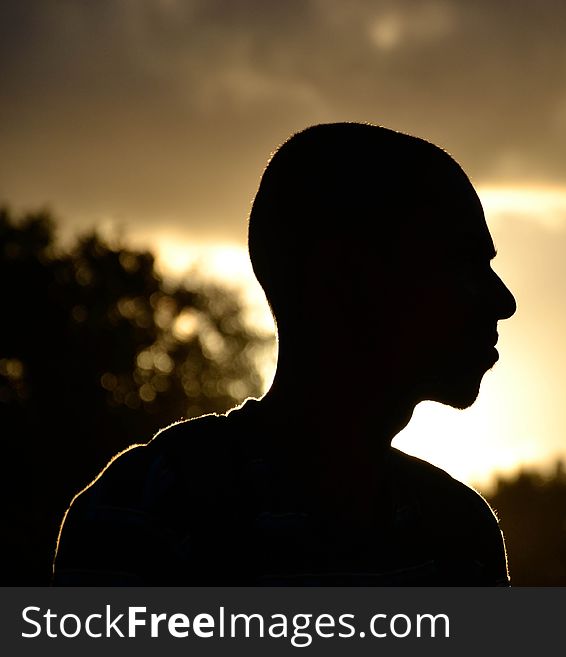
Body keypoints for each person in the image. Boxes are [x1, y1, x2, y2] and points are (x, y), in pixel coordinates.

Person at [53, 123, 517, 585]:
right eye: (465, 263)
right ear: (346, 280)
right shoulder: (155, 508)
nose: (503, 301)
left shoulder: (460, 534)